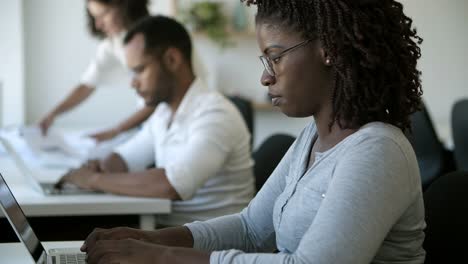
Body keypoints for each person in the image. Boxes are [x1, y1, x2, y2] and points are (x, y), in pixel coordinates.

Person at [80, 0, 426, 263]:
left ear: (330, 51)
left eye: (275, 57)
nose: (265, 77)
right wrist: (149, 240)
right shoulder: (311, 139)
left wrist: (160, 257)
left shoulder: (378, 150)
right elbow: (250, 229)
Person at [57, 15, 255, 227]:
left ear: (172, 59)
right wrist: (102, 168)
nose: (133, 83)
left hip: (211, 248)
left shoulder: (216, 113)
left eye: (140, 70)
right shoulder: (162, 113)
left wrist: (93, 180)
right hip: (169, 232)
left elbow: (171, 185)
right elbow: (125, 158)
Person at [39, 0, 153, 142]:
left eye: (103, 14)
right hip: (147, 124)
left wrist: (116, 131)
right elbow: (87, 84)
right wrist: (53, 114)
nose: (98, 24)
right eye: (94, 17)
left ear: (124, 5)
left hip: (161, 122)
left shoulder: (155, 39)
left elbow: (158, 98)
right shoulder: (114, 43)